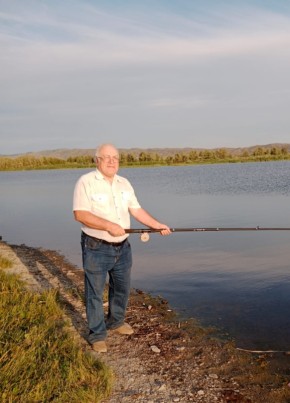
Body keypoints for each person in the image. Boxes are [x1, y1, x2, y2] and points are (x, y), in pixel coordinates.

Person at [73, 143, 171, 353]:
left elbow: (136, 209)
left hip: (123, 248)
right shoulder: (86, 182)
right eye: (106, 157)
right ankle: (97, 335)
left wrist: (156, 225)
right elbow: (80, 214)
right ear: (97, 160)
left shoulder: (124, 183)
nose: (111, 161)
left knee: (122, 288)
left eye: (115, 157)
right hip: (96, 246)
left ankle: (116, 322)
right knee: (95, 293)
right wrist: (109, 226)